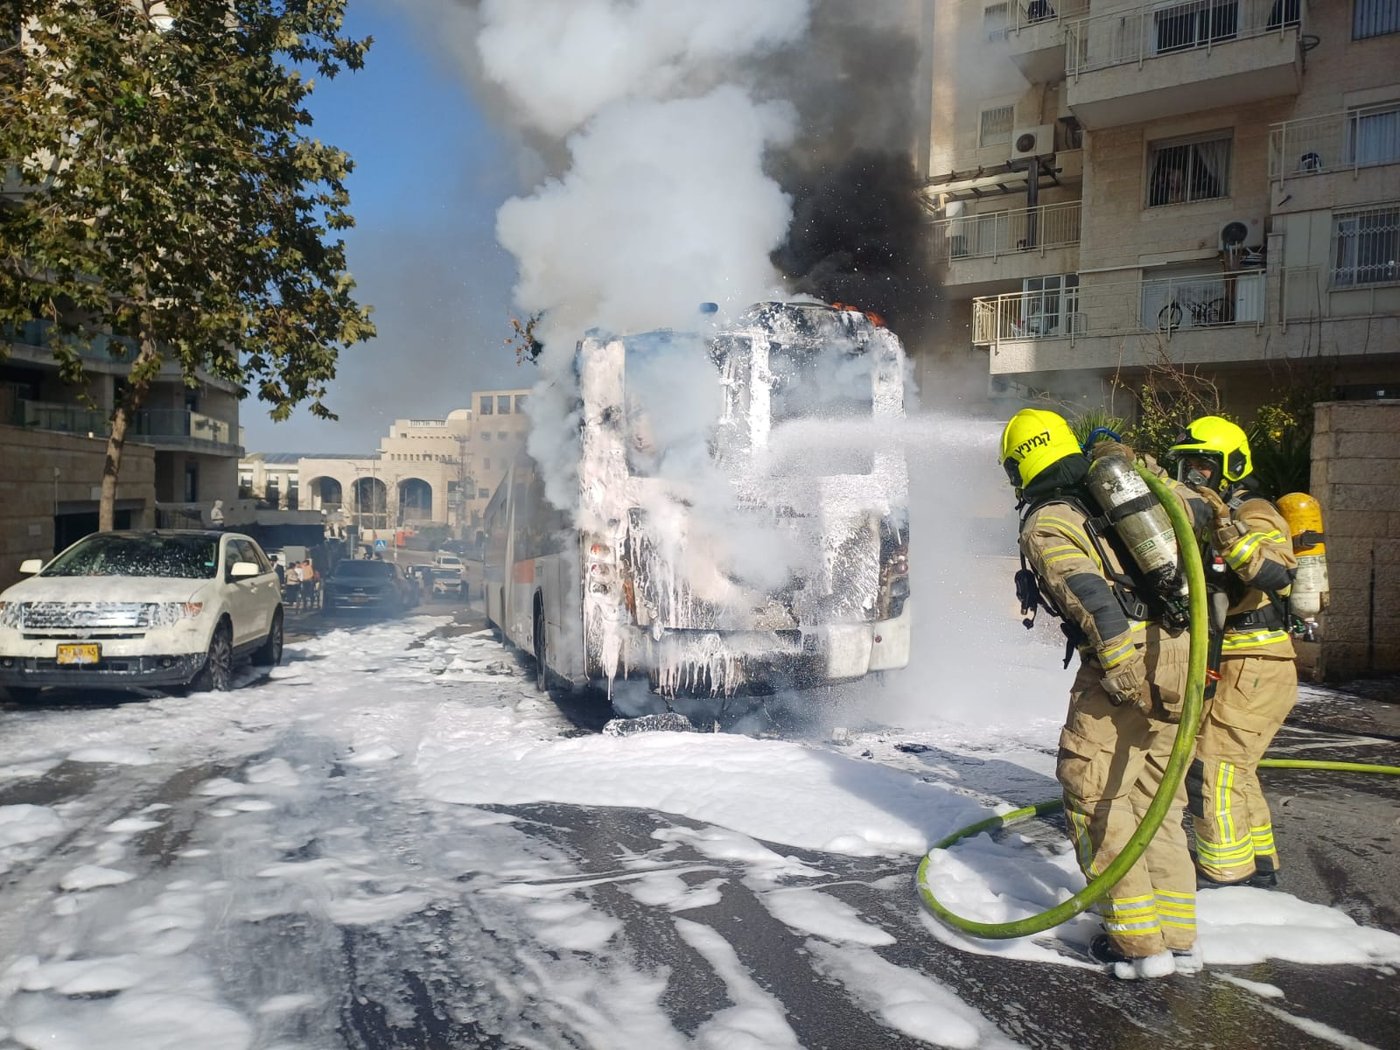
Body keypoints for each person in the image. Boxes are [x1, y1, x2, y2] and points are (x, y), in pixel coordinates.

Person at [1001, 408, 1206, 979]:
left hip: (1128, 658)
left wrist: (1120, 672)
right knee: (1155, 796)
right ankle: (1177, 929)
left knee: (1093, 792)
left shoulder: (1050, 519)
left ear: (1022, 465)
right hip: (1182, 651)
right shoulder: (1112, 495)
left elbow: (1088, 594)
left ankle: (1134, 940)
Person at [1168, 416, 1298, 889]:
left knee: (1212, 770)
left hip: (1257, 663)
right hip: (1237, 664)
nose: (1193, 475)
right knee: (1236, 771)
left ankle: (1227, 875)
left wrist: (1226, 528)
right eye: (1187, 465)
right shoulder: (1207, 511)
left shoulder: (1255, 511)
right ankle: (1259, 864)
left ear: (1233, 466)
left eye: (1203, 464)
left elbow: (1276, 573)